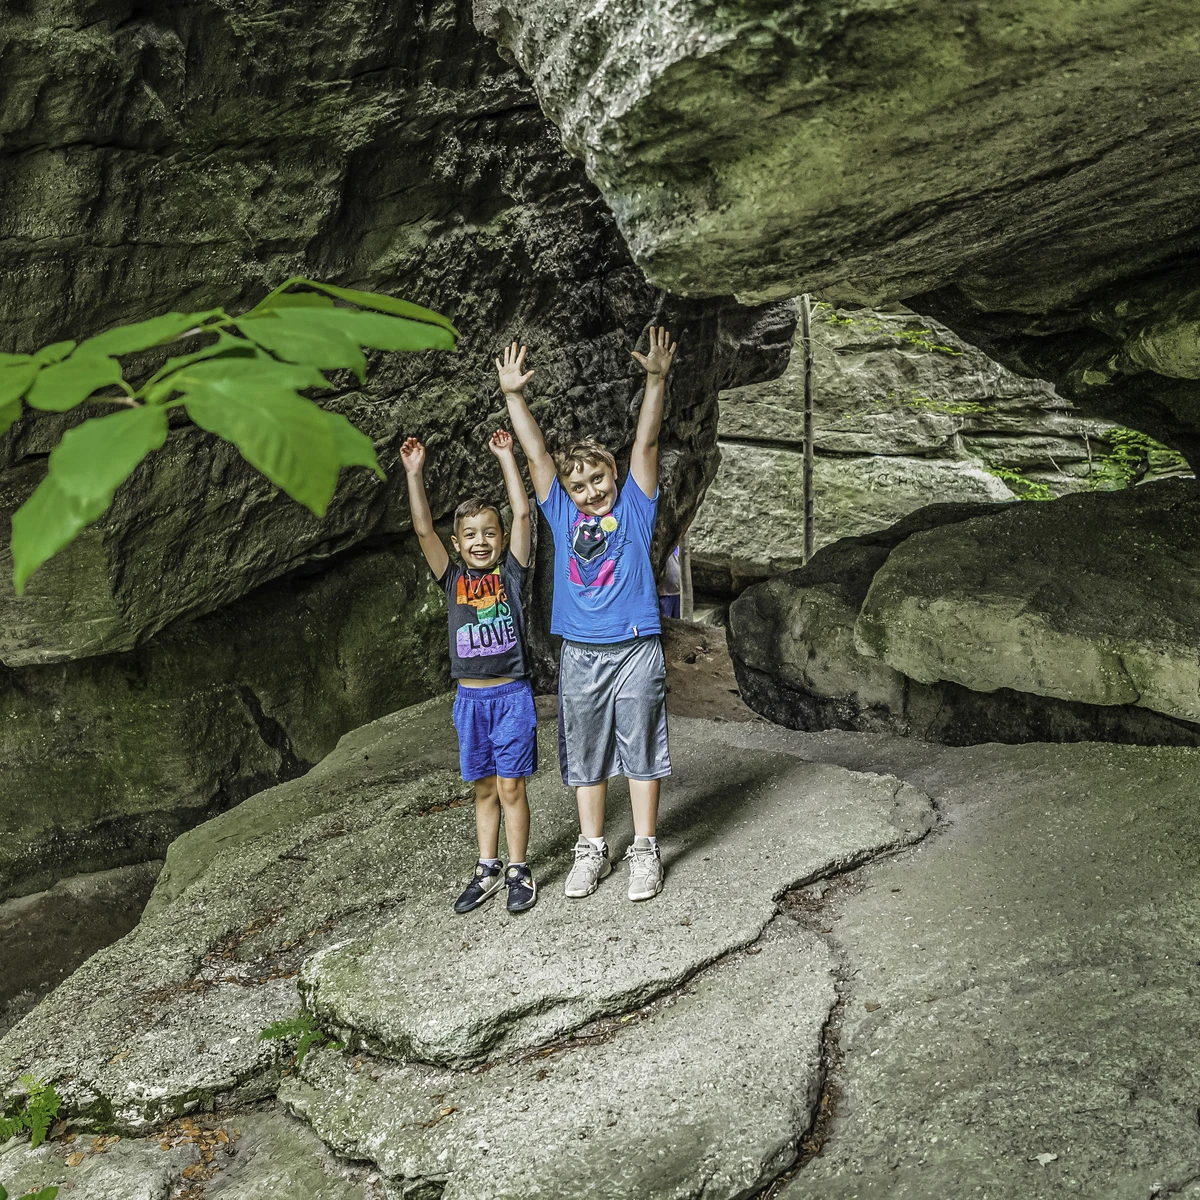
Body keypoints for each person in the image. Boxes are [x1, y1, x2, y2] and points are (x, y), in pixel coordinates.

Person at [496, 326, 677, 902]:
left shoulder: (635, 507)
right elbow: (537, 455)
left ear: (614, 477)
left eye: (598, 478)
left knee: (642, 745)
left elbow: (645, 445)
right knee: (587, 750)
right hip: (580, 652)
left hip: (635, 647)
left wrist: (656, 379)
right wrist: (514, 396)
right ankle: (592, 848)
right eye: (579, 486)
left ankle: (645, 849)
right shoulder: (559, 512)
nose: (590, 490)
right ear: (567, 494)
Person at [400, 429, 538, 915]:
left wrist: (506, 456)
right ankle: (487, 868)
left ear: (500, 540)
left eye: (489, 533)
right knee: (483, 788)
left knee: (511, 787)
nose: (481, 542)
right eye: (471, 535)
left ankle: (519, 869)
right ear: (458, 544)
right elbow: (422, 530)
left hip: (512, 697)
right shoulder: (453, 578)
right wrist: (414, 474)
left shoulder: (512, 574)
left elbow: (523, 512)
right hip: (471, 702)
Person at [658, 545, 681, 619]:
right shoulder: (666, 545)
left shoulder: (679, 547)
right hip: (665, 593)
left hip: (678, 593)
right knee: (665, 619)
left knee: (677, 622)